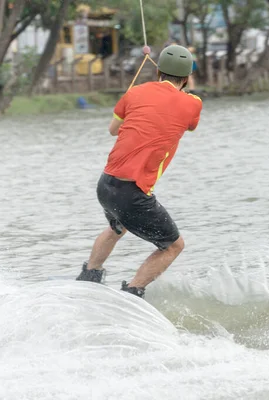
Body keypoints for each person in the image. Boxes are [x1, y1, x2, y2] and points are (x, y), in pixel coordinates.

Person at [75, 44, 203, 299]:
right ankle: (133, 292)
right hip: (131, 193)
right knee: (173, 246)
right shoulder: (192, 104)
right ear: (187, 77)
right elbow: (188, 122)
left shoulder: (134, 92)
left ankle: (90, 275)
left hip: (106, 185)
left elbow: (113, 130)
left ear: (159, 72)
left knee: (117, 227)